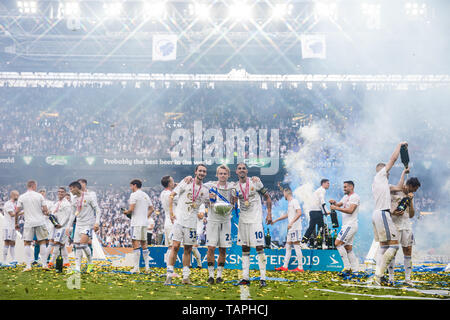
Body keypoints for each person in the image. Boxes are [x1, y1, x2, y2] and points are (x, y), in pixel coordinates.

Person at [165, 164, 210, 285]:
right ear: (196, 172)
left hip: (192, 224)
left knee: (188, 249)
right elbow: (171, 195)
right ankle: (169, 275)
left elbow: (209, 203)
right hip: (179, 220)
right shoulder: (186, 182)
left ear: (205, 174)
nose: (202, 173)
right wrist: (171, 212)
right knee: (175, 246)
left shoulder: (205, 190)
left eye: (204, 171)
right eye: (200, 171)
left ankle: (185, 277)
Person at [371, 141, 408, 285]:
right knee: (394, 246)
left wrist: (404, 172)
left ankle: (377, 276)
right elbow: (392, 159)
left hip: (377, 214)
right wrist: (399, 145)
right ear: (381, 170)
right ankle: (379, 275)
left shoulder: (382, 183)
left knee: (384, 247)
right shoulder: (380, 176)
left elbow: (399, 187)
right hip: (382, 214)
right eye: (387, 170)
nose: (389, 172)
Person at [235, 162, 272, 287]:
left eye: (244, 168)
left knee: (259, 247)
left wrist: (269, 214)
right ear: (236, 172)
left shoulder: (256, 182)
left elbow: (267, 197)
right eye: (239, 168)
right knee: (244, 248)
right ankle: (245, 277)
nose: (241, 170)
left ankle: (263, 278)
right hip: (243, 220)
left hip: (256, 220)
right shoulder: (235, 187)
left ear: (247, 171)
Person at [387, 169, 421, 285]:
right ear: (410, 185)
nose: (415, 191)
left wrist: (410, 201)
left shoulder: (410, 196)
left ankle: (408, 279)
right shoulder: (395, 191)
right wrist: (393, 212)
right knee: (393, 251)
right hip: (394, 225)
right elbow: (385, 207)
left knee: (408, 250)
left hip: (406, 225)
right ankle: (391, 278)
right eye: (414, 189)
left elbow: (411, 215)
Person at [66, 181, 101, 274]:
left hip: (88, 224)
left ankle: (90, 263)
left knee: (82, 244)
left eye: (71, 189)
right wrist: (68, 227)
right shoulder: (74, 199)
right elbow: (72, 214)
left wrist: (97, 223)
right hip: (78, 224)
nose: (70, 191)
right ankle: (78, 267)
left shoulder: (89, 197)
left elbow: (97, 210)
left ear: (77, 188)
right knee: (77, 246)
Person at [15, 180, 50, 271]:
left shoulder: (22, 197)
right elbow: (45, 210)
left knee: (27, 243)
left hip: (29, 223)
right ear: (34, 186)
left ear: (28, 186)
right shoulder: (39, 196)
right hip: (40, 222)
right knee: (42, 242)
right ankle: (44, 265)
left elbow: (17, 211)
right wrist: (43, 212)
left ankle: (28, 266)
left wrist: (16, 223)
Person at [122, 179, 154, 273]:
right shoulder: (145, 195)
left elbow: (131, 209)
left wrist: (125, 212)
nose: (130, 188)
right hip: (144, 222)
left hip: (136, 223)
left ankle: (136, 268)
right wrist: (145, 216)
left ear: (134, 185)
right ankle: (147, 268)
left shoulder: (134, 195)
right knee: (144, 244)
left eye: (131, 186)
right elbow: (152, 209)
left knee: (135, 244)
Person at [329, 181, 361, 275]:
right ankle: (355, 270)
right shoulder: (346, 197)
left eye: (345, 187)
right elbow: (339, 204)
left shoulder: (355, 197)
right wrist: (334, 203)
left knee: (337, 243)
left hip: (350, 225)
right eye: (343, 187)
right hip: (347, 225)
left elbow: (350, 210)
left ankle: (347, 268)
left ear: (351, 187)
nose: (344, 189)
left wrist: (336, 208)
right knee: (348, 248)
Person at [272, 187, 304, 272]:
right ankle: (285, 266)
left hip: (295, 228)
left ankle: (300, 267)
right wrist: (276, 220)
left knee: (296, 246)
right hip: (291, 228)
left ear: (286, 193)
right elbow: (288, 215)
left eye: (283, 193)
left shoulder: (294, 201)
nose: (283, 195)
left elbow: (299, 212)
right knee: (288, 246)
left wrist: (291, 222)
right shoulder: (290, 203)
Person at [159, 175, 180, 277]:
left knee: (170, 246)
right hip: (173, 221)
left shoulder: (163, 193)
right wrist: (179, 187)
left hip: (167, 220)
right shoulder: (171, 194)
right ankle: (170, 271)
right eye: (172, 181)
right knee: (173, 247)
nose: (174, 182)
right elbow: (181, 198)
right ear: (169, 183)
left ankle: (169, 270)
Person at [48, 187, 73, 268]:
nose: (60, 193)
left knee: (57, 244)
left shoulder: (67, 204)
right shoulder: (56, 203)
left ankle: (51, 263)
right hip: (56, 226)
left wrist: (61, 224)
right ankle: (66, 263)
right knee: (62, 245)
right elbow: (54, 214)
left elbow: (67, 216)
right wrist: (53, 220)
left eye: (62, 192)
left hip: (63, 227)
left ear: (65, 193)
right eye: (59, 192)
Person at [301, 179, 330, 248]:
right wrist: (326, 211)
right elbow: (322, 201)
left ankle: (304, 242)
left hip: (313, 211)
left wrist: (324, 212)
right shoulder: (322, 190)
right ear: (323, 183)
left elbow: (319, 202)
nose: (329, 185)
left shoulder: (318, 190)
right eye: (328, 183)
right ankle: (321, 243)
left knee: (312, 227)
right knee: (321, 227)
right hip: (316, 211)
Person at [2, 190, 19, 265]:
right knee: (7, 242)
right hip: (7, 226)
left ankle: (13, 259)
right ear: (12, 195)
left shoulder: (14, 204)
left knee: (13, 243)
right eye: (16, 195)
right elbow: (12, 214)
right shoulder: (8, 204)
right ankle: (4, 260)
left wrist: (16, 224)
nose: (17, 197)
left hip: (12, 226)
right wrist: (23, 212)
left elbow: (15, 216)